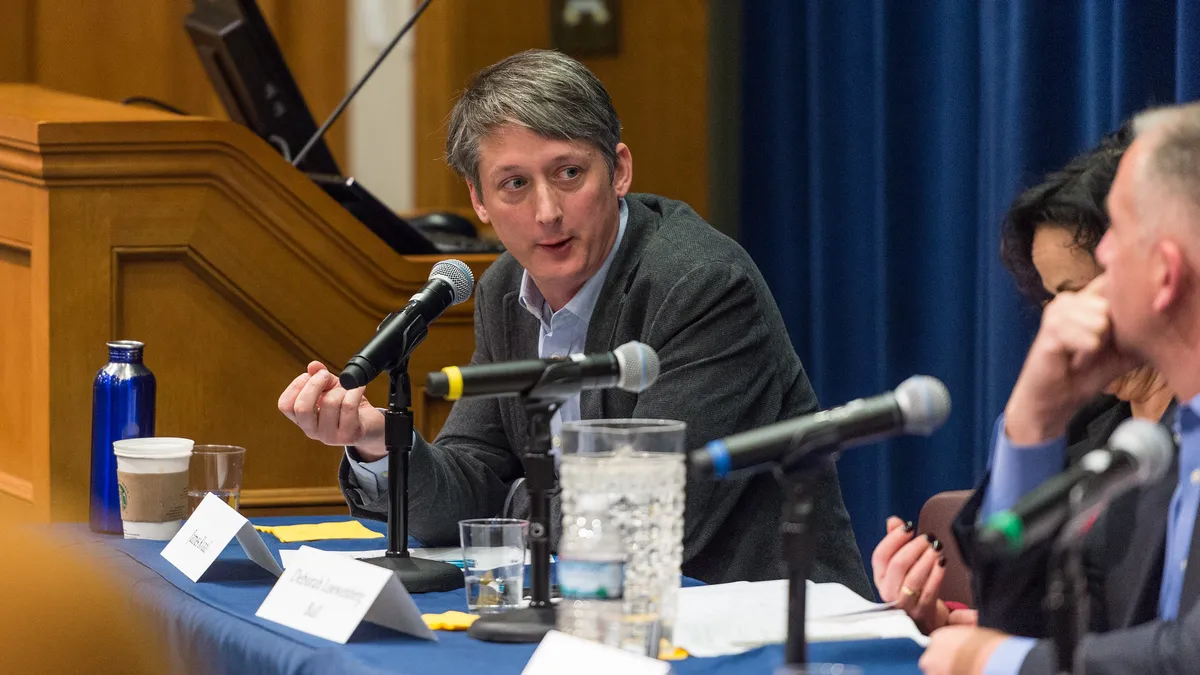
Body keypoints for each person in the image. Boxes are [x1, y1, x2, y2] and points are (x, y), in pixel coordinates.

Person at [277, 49, 870, 591]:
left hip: (762, 625)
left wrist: (506, 504)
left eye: (568, 173)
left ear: (619, 171)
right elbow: (468, 478)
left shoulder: (701, 285)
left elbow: (650, 523)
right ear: (479, 200)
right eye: (514, 184)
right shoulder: (505, 287)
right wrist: (382, 444)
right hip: (595, 614)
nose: (547, 212)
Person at [918, 102, 1200, 674]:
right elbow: (1028, 623)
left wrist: (1000, 663)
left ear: (1165, 272)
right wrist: (1033, 422)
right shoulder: (1172, 438)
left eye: (1117, 232)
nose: (1103, 254)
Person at [873, 128, 1172, 635]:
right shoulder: (1075, 429)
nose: (1055, 321)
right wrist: (943, 619)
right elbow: (1029, 616)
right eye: (1049, 297)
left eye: (1075, 291)